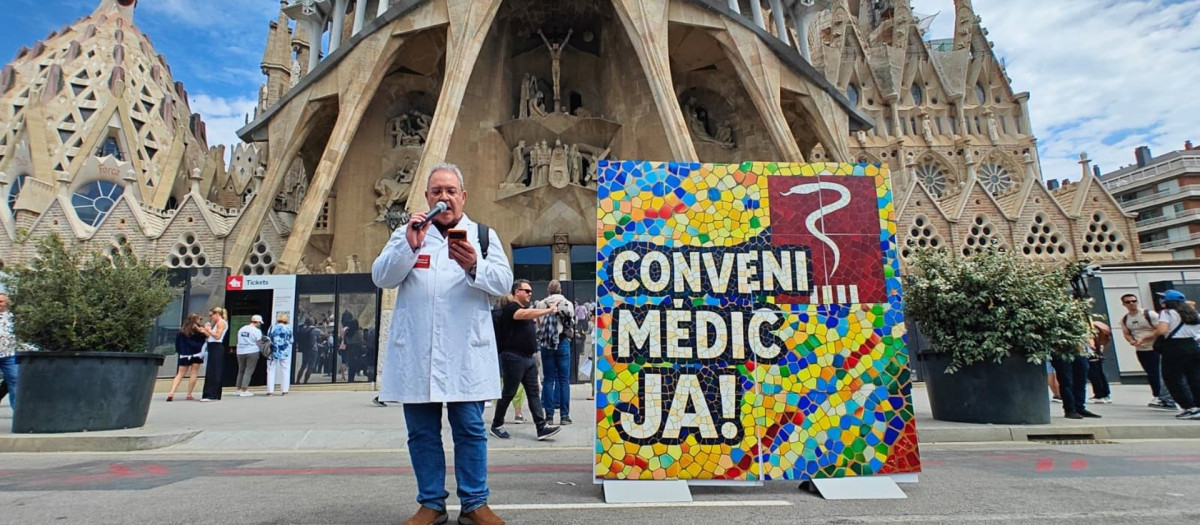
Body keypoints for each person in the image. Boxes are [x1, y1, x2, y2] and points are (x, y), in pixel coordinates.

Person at [372, 163, 513, 525]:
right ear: (427, 197)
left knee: (469, 428)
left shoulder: (481, 234)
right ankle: (431, 503)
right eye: (437, 191)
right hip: (418, 353)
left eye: (451, 191)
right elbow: (382, 277)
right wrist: (408, 245)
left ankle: (475, 503)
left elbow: (502, 282)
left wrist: (473, 267)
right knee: (421, 432)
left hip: (465, 352)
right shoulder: (408, 233)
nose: (444, 197)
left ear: (463, 197)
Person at [490, 280, 561, 441]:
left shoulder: (525, 309)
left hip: (528, 359)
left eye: (530, 291)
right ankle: (496, 424)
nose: (530, 294)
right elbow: (521, 315)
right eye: (526, 291)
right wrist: (548, 310)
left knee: (533, 393)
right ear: (517, 292)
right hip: (513, 357)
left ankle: (541, 427)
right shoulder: (511, 308)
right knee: (509, 392)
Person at [1120, 293, 1176, 409]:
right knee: (1151, 373)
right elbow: (1126, 333)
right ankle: (1158, 395)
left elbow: (1160, 330)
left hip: (1154, 348)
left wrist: (1144, 338)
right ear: (1123, 304)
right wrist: (1131, 340)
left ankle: (1163, 397)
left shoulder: (1148, 314)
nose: (1132, 304)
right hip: (1141, 349)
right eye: (1128, 302)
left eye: (1134, 301)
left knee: (1157, 373)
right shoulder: (1126, 319)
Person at [1152, 290, 1200, 420]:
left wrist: (1151, 335)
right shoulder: (1194, 314)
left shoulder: (1167, 313)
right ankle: (1198, 406)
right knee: (1194, 377)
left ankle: (1188, 407)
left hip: (1174, 347)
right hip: (1192, 345)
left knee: (1172, 378)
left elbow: (1162, 330)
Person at [537, 280, 575, 425]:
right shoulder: (567, 304)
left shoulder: (541, 304)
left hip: (547, 343)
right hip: (563, 342)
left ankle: (549, 416)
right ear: (560, 290)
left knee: (548, 379)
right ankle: (564, 416)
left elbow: (539, 324)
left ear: (548, 290)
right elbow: (571, 322)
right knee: (564, 380)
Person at [167, 313, 210, 402]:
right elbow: (208, 338)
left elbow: (177, 344)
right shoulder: (199, 332)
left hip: (184, 354)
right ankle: (189, 394)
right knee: (193, 373)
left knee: (180, 374)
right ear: (196, 320)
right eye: (200, 318)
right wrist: (203, 330)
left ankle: (171, 392)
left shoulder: (182, 331)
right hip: (197, 354)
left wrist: (180, 352)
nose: (200, 320)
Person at [200, 307, 229, 402]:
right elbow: (212, 336)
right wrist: (205, 331)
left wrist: (209, 330)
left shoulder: (221, 322)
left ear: (217, 314)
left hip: (216, 346)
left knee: (214, 370)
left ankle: (212, 394)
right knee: (212, 369)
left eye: (211, 315)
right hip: (213, 345)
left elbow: (217, 336)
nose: (211, 317)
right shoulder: (218, 323)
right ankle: (211, 394)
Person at [235, 315, 265, 397]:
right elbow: (259, 342)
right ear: (258, 322)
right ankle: (244, 389)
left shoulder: (242, 329)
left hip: (240, 351)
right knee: (249, 370)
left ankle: (238, 389)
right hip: (252, 351)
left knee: (241, 370)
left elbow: (238, 339)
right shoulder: (257, 331)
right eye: (260, 323)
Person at [266, 313, 293, 396]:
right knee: (285, 370)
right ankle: (285, 390)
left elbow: (268, 338)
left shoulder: (272, 327)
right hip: (284, 351)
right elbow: (291, 340)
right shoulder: (288, 328)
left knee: (270, 370)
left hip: (273, 351)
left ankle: (270, 391)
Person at [1086, 320, 1113, 404]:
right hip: (1097, 352)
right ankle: (1106, 394)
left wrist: (1092, 346)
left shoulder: (1086, 327)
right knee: (1099, 373)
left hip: (1090, 352)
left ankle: (1099, 395)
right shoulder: (1092, 325)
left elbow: (1090, 341)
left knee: (1093, 374)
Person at [0, 293, 18, 412]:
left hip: (9, 354)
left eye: (1, 301)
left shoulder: (13, 317)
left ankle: (17, 411)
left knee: (14, 380)